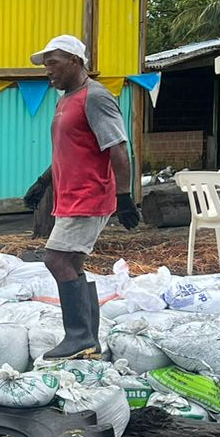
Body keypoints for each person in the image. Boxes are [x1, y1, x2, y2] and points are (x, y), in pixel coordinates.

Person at [20, 35, 140, 360]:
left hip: (89, 195)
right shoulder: (66, 99)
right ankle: (89, 340)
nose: (48, 72)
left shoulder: (95, 97)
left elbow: (117, 146)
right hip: (70, 196)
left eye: (53, 64)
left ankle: (79, 336)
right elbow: (69, 150)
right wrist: (42, 183)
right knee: (71, 261)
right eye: (45, 66)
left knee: (55, 259)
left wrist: (125, 196)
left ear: (75, 61)